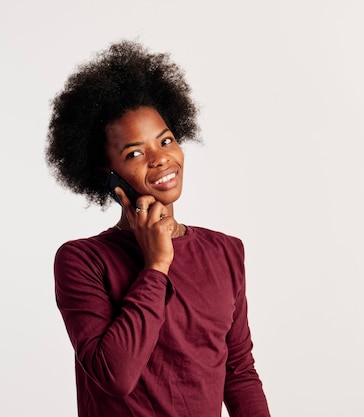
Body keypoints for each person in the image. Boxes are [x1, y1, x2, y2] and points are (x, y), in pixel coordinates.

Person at [46, 40, 270, 417]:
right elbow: (115, 375)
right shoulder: (82, 261)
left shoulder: (226, 252)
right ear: (107, 173)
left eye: (166, 140)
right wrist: (156, 264)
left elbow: (238, 372)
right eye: (135, 153)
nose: (160, 158)